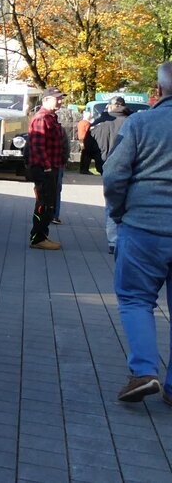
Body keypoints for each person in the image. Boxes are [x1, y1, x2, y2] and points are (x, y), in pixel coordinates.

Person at [105, 63, 172, 403]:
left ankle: (145, 372)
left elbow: (114, 174)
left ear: (158, 91)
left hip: (144, 228)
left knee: (135, 299)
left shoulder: (140, 123)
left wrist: (118, 213)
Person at [27, 87, 67, 250]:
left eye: (61, 98)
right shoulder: (41, 118)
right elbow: (38, 146)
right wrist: (47, 167)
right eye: (57, 98)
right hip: (44, 170)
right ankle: (37, 239)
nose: (60, 101)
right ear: (46, 100)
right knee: (43, 204)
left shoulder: (51, 117)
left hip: (52, 168)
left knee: (48, 204)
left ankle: (42, 235)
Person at [90, 97, 131, 253]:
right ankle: (124, 239)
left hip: (107, 166)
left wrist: (97, 159)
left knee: (111, 203)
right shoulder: (132, 121)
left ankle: (113, 241)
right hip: (129, 167)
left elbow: (89, 143)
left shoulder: (101, 122)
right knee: (128, 204)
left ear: (112, 106)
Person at [78, 109, 94, 174]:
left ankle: (81, 168)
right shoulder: (87, 123)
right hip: (86, 140)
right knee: (87, 155)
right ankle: (85, 169)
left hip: (81, 139)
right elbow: (89, 131)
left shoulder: (80, 122)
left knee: (83, 154)